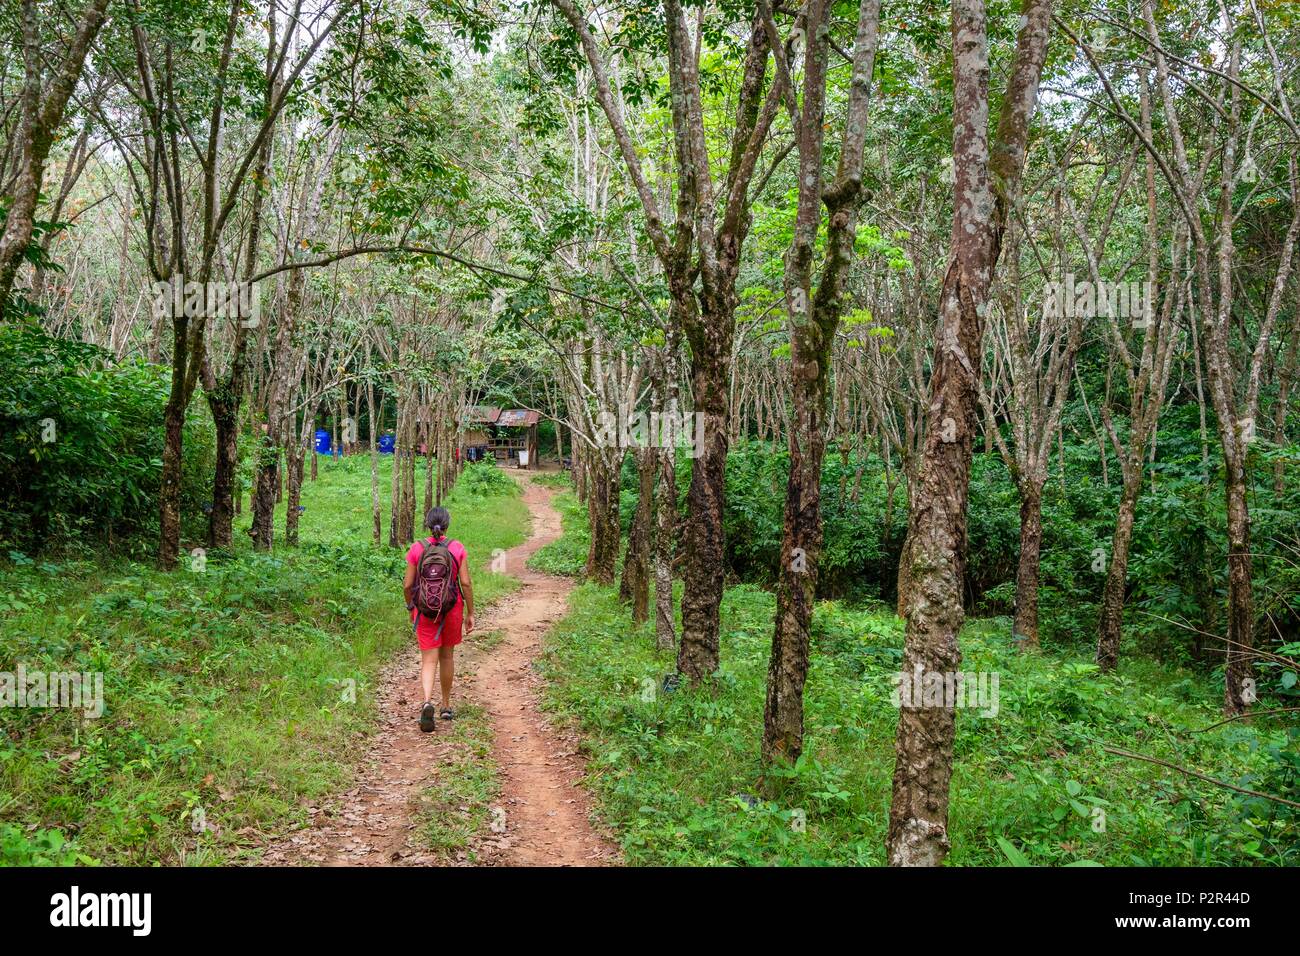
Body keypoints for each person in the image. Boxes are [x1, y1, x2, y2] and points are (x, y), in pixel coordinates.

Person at [403, 506, 474, 732]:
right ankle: (445, 705)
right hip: (451, 610)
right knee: (447, 657)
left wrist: (411, 606)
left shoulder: (417, 548)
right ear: (447, 525)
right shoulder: (457, 547)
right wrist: (470, 612)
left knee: (428, 660)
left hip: (424, 611)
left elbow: (407, 585)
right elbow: (465, 583)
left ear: (427, 524)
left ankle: (426, 702)